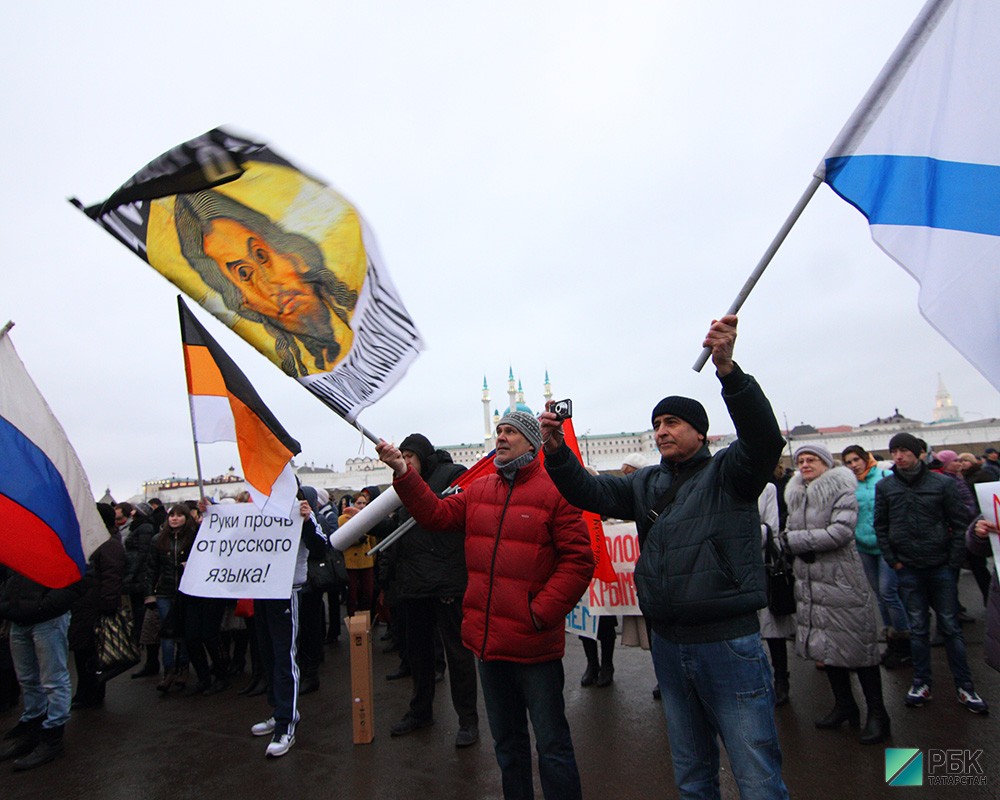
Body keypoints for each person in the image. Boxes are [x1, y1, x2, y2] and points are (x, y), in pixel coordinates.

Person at [541, 315, 789, 800]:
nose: (661, 432)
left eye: (672, 422)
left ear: (700, 432)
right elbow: (589, 491)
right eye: (656, 424)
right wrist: (556, 451)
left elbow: (764, 440)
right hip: (670, 646)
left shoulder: (730, 474)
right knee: (692, 774)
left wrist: (728, 371)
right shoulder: (645, 483)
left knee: (755, 771)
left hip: (728, 643)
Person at [377, 411, 594, 800]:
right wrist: (404, 473)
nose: (501, 437)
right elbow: (435, 515)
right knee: (508, 749)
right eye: (498, 431)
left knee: (552, 747)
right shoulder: (479, 489)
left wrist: (538, 613)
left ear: (532, 442)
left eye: (511, 432)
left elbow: (579, 561)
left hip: (533, 647)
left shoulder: (555, 490)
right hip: (489, 646)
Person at [174, 189, 360, 377]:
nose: (271, 284)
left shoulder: (373, 313)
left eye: (261, 255)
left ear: (295, 257)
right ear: (244, 302)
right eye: (245, 274)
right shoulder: (286, 380)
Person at [783, 445, 889, 744]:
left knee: (859, 646)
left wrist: (794, 541)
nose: (804, 464)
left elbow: (840, 533)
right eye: (800, 460)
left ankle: (878, 713)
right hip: (811, 581)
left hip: (841, 579)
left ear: (826, 464)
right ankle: (845, 705)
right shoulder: (796, 494)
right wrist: (794, 541)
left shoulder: (842, 490)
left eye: (811, 460)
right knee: (826, 647)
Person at [874, 432, 987, 713]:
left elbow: (960, 523)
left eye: (904, 450)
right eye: (894, 451)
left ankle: (965, 686)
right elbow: (881, 526)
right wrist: (894, 561)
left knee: (950, 627)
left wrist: (953, 561)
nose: (898, 456)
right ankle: (921, 682)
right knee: (918, 629)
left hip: (940, 567)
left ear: (919, 453)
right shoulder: (886, 487)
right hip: (908, 567)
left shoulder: (942, 484)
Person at [386, 433, 480, 748]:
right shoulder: (401, 484)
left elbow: (449, 515)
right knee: (419, 653)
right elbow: (397, 527)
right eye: (403, 456)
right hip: (413, 583)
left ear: (423, 457)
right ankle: (420, 711)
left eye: (410, 456)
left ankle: (467, 719)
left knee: (458, 653)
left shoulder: (453, 476)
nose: (405, 462)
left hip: (447, 580)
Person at [250, 494, 329, 758]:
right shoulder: (260, 510)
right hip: (261, 589)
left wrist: (307, 520)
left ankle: (286, 725)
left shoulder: (303, 513)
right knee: (268, 654)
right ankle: (279, 710)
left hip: (286, 590)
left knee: (284, 656)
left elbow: (321, 547)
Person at [0, 567, 84, 770]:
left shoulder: (62, 543)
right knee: (28, 679)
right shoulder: (21, 547)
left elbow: (78, 579)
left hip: (47, 620)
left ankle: (52, 736)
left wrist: (45, 606)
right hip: (20, 620)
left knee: (53, 680)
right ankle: (33, 728)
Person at [841, 444, 910, 668]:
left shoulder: (885, 475)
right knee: (880, 595)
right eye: (848, 462)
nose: (853, 465)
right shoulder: (849, 484)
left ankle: (905, 640)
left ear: (864, 458)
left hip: (887, 545)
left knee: (889, 592)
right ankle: (892, 640)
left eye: (855, 460)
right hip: (863, 544)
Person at [69, 503, 126, 709]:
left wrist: (107, 606)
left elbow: (112, 577)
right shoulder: (96, 541)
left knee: (92, 655)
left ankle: (91, 694)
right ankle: (85, 692)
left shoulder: (108, 544)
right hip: (85, 605)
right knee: (83, 653)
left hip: (95, 608)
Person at [145, 504, 197, 693]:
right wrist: (149, 593)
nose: (174, 519)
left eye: (179, 515)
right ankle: (168, 671)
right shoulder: (158, 540)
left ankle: (183, 667)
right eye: (171, 515)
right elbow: (152, 568)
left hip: (185, 590)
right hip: (165, 591)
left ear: (186, 518)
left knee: (183, 631)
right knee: (167, 633)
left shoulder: (192, 538)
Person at [757, 480, 794, 707]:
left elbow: (770, 529)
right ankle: (756, 679)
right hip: (735, 568)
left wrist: (737, 532)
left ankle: (781, 677)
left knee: (773, 627)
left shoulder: (767, 488)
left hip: (765, 565)